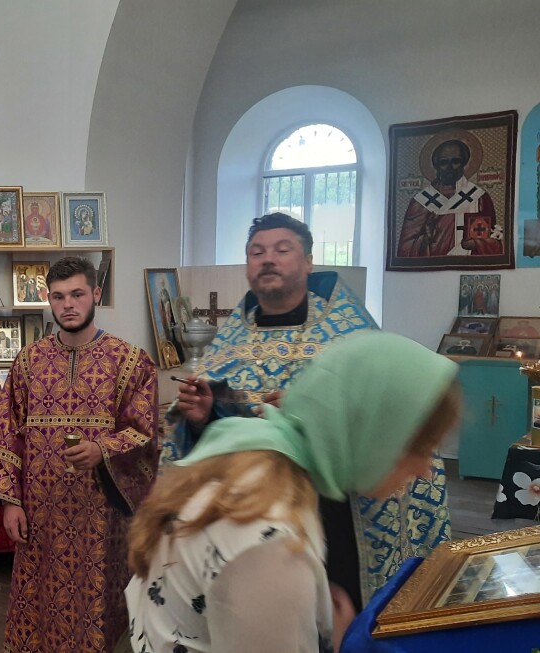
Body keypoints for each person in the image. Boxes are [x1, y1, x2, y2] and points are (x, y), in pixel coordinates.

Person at [167, 212, 450, 611]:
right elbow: (212, 432)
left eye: (282, 250)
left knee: (335, 608)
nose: (268, 259)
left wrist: (315, 412)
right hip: (248, 510)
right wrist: (201, 417)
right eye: (257, 252)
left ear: (308, 262)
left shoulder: (350, 334)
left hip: (331, 510)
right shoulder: (229, 341)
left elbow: (387, 415)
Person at [126, 333, 460, 653]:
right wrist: (341, 644)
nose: (425, 470)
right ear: (371, 433)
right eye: (420, 448)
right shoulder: (270, 548)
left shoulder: (262, 461)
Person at [0, 256, 160, 653]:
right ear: (48, 299)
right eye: (58, 296)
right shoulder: (28, 362)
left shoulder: (129, 361)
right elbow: (4, 434)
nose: (68, 304)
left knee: (95, 612)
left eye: (77, 294)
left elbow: (145, 433)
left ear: (96, 294)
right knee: (38, 605)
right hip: (40, 513)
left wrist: (102, 449)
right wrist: (10, 503)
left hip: (100, 518)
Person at [397, 138, 502, 258]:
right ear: (436, 166)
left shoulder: (479, 198)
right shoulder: (421, 201)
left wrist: (476, 244)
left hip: (467, 264)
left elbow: (495, 242)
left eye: (455, 161)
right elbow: (405, 249)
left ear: (464, 163)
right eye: (444, 163)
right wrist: (425, 240)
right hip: (433, 266)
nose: (450, 167)